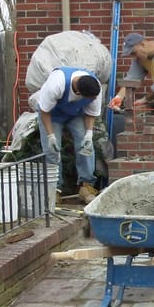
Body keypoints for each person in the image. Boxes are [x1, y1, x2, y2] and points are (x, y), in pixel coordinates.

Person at [34, 66, 102, 204]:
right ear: (77, 92)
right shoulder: (56, 85)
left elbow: (91, 113)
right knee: (52, 152)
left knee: (85, 147)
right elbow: (44, 111)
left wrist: (88, 134)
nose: (93, 99)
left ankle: (86, 187)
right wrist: (51, 136)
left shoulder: (94, 87)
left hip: (75, 114)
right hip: (51, 116)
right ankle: (54, 190)